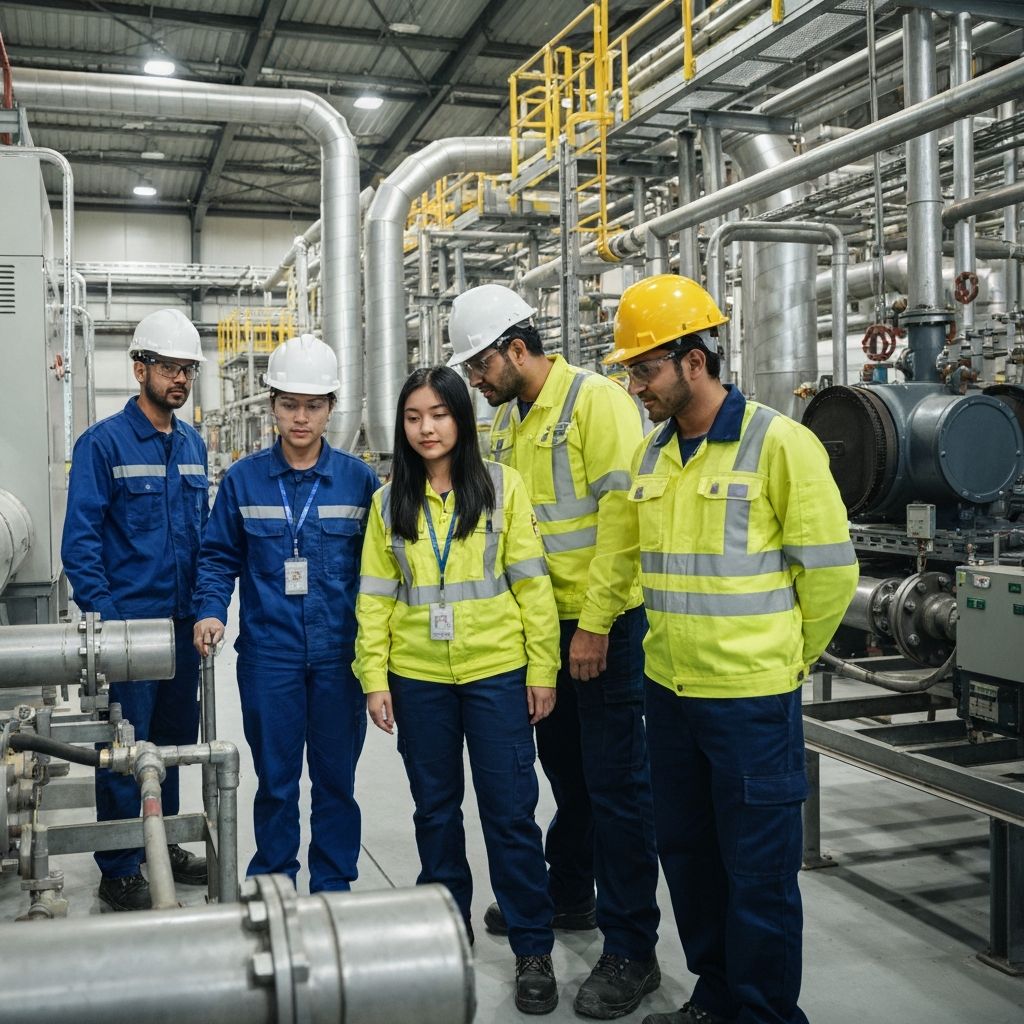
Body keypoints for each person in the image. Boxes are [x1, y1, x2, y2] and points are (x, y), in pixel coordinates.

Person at [605, 274, 859, 1024]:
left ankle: (763, 1013)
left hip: (750, 700)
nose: (636, 387)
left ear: (695, 360)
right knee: (688, 859)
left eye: (645, 369)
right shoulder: (651, 457)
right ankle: (715, 998)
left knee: (758, 874)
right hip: (669, 693)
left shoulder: (779, 444)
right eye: (631, 371)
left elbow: (831, 574)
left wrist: (785, 657)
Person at [447, 284, 661, 1020]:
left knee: (618, 789)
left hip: (603, 627)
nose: (475, 380)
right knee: (567, 774)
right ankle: (570, 892)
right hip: (546, 631)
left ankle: (633, 948)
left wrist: (594, 625)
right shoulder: (508, 421)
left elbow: (623, 523)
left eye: (480, 365)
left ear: (516, 349)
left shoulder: (596, 403)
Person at [354, 366, 561, 1015]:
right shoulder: (389, 503)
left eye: (438, 414)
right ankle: (446, 933)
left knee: (510, 814)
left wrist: (542, 668)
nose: (426, 428)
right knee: (436, 813)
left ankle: (532, 948)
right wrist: (375, 677)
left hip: (496, 672)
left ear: (461, 419)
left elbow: (532, 585)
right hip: (419, 680)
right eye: (414, 417)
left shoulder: (502, 487)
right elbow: (375, 598)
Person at [192, 334, 377, 893]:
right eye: (290, 404)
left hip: (339, 657)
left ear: (331, 407)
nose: (301, 417)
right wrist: (211, 611)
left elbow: (382, 570)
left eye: (313, 405)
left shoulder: (359, 482)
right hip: (269, 657)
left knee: (336, 782)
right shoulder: (243, 480)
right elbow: (218, 556)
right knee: (275, 781)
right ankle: (274, 882)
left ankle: (333, 888)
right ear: (271, 404)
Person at [62, 308, 209, 912]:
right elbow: (81, 545)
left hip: (181, 626)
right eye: (169, 367)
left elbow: (205, 538)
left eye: (188, 369)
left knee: (171, 744)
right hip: (128, 627)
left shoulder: (194, 445)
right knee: (126, 747)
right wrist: (107, 624)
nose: (180, 379)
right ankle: (121, 864)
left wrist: (204, 609)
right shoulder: (102, 444)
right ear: (139, 368)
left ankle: (162, 841)